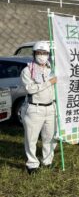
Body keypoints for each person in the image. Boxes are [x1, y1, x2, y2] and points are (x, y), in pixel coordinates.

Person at [21, 41, 57, 174]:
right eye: (39, 53)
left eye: (45, 53)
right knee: (31, 138)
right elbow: (30, 89)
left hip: (51, 108)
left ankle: (47, 161)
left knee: (50, 137)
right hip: (34, 109)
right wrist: (48, 82)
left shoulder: (52, 69)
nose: (42, 55)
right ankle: (32, 164)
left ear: (48, 54)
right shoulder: (27, 70)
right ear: (34, 54)